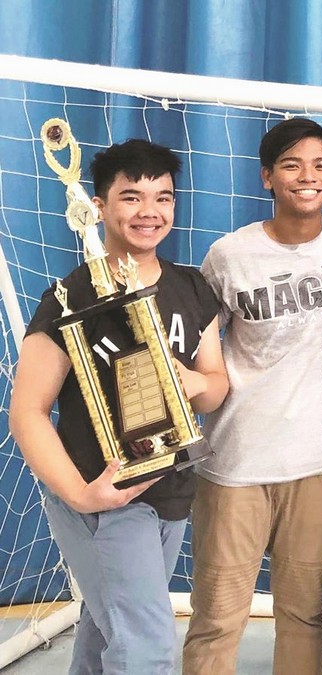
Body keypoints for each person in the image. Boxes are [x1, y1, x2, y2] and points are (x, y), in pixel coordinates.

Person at [12, 139, 228, 674]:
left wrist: (190, 383)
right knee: (145, 648)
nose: (149, 212)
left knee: (107, 632)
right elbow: (26, 412)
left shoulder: (192, 287)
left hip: (172, 488)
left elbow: (219, 383)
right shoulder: (71, 297)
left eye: (163, 197)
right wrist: (85, 496)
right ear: (101, 205)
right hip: (105, 497)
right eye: (131, 197)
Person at [182, 118, 322, 675]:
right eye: (291, 165)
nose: (307, 177)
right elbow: (194, 340)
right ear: (267, 176)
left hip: (317, 464)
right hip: (234, 464)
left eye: (321, 166)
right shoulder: (229, 255)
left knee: (304, 614)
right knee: (219, 615)